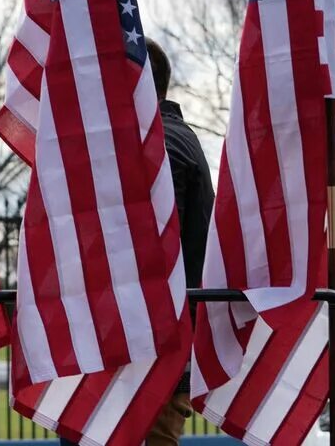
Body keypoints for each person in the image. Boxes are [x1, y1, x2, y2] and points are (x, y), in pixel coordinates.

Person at [146, 37, 215, 446]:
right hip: (156, 347)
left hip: (154, 351)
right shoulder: (172, 137)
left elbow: (154, 243)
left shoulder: (163, 144)